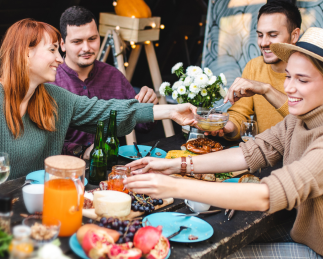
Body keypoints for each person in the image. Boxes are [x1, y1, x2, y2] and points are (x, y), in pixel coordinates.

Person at [0, 19, 197, 193]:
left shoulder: (54, 97)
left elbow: (106, 112)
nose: (60, 59)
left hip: (42, 206)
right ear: (26, 53)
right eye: (52, 51)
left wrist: (171, 111)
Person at [125, 27, 323, 258]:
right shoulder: (298, 120)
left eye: (303, 79)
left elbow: (266, 196)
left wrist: (171, 186)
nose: (288, 87)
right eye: (288, 76)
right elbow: (249, 152)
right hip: (302, 230)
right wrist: (177, 165)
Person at [50, 6, 158, 158]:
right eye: (77, 41)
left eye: (92, 39)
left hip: (110, 167)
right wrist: (80, 151)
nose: (86, 48)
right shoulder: (50, 80)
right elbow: (43, 141)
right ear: (62, 44)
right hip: (63, 169)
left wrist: (150, 102)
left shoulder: (114, 76)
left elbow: (143, 126)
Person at [207, 1, 301, 140]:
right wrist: (226, 127)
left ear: (294, 35)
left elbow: (308, 121)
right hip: (263, 155)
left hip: (302, 157)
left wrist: (266, 89)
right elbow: (239, 114)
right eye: (260, 35)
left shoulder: (312, 72)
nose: (263, 43)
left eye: (273, 35)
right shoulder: (254, 66)